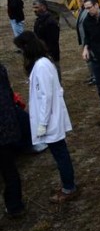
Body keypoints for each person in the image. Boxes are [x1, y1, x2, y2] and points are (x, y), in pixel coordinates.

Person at [13, 31, 78, 204]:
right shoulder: (43, 63)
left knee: (60, 154)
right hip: (51, 116)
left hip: (49, 118)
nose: (21, 53)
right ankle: (68, 185)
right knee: (60, 152)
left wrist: (42, 123)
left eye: (21, 49)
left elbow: (46, 97)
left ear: (27, 47)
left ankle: (69, 188)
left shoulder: (41, 66)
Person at [0, 62, 25, 217]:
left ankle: (14, 205)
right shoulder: (1, 68)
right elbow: (9, 92)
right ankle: (15, 205)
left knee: (8, 168)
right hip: (8, 122)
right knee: (9, 167)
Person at [32, 0, 61, 81]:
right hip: (41, 53)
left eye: (37, 7)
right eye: (34, 8)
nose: (34, 10)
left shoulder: (51, 21)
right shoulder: (39, 20)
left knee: (54, 76)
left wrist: (48, 53)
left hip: (50, 54)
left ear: (44, 7)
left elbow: (53, 40)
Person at [76, 0, 95, 85]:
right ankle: (92, 76)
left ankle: (96, 77)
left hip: (90, 39)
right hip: (84, 39)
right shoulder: (82, 9)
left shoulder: (90, 10)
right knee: (88, 58)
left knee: (93, 57)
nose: (80, 0)